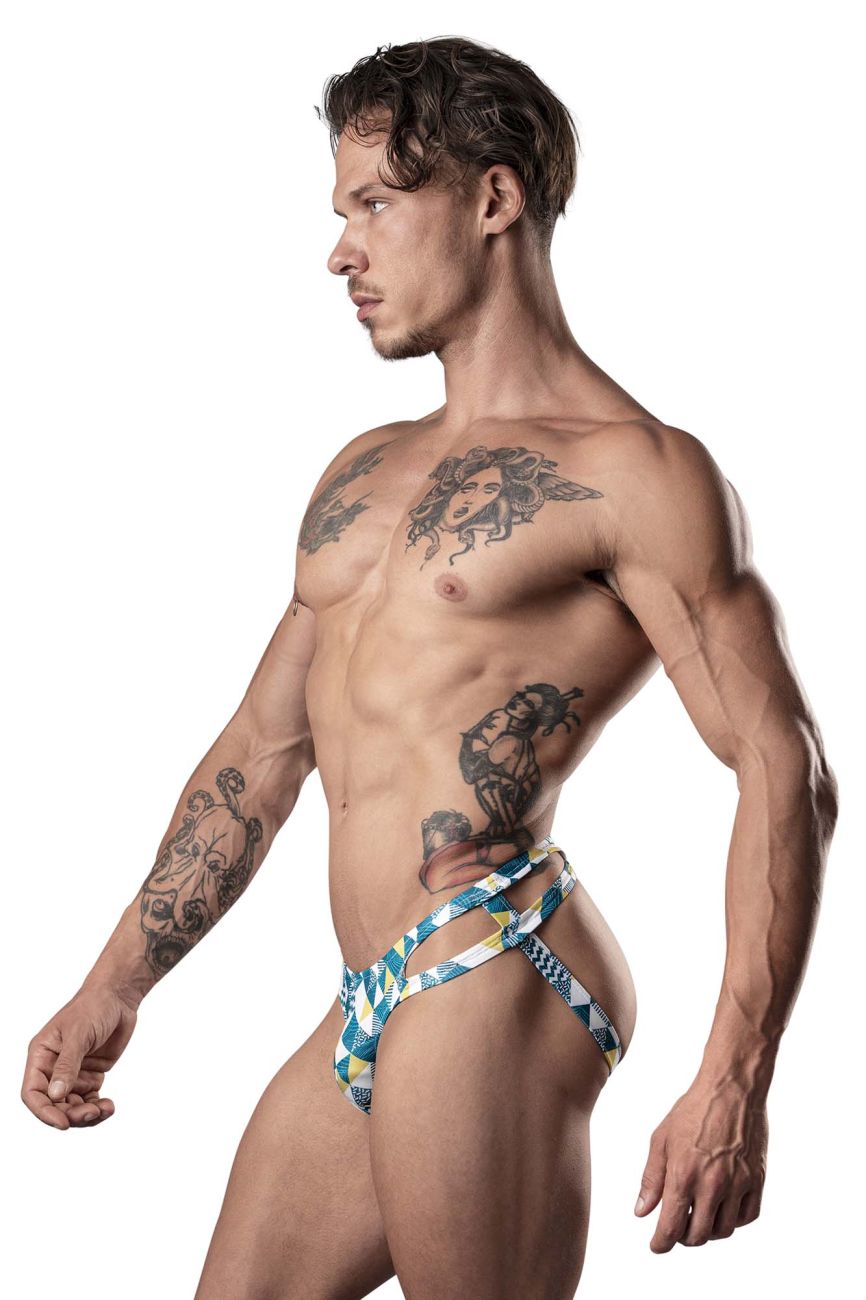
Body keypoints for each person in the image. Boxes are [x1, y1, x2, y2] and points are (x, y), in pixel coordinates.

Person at [21, 36, 839, 1300]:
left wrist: (733, 1076)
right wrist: (112, 983)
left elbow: (782, 768)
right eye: (339, 212)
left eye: (374, 205)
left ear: (492, 199)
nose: (339, 252)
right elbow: (261, 752)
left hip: (492, 958)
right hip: (372, 988)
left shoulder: (633, 472)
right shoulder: (362, 471)